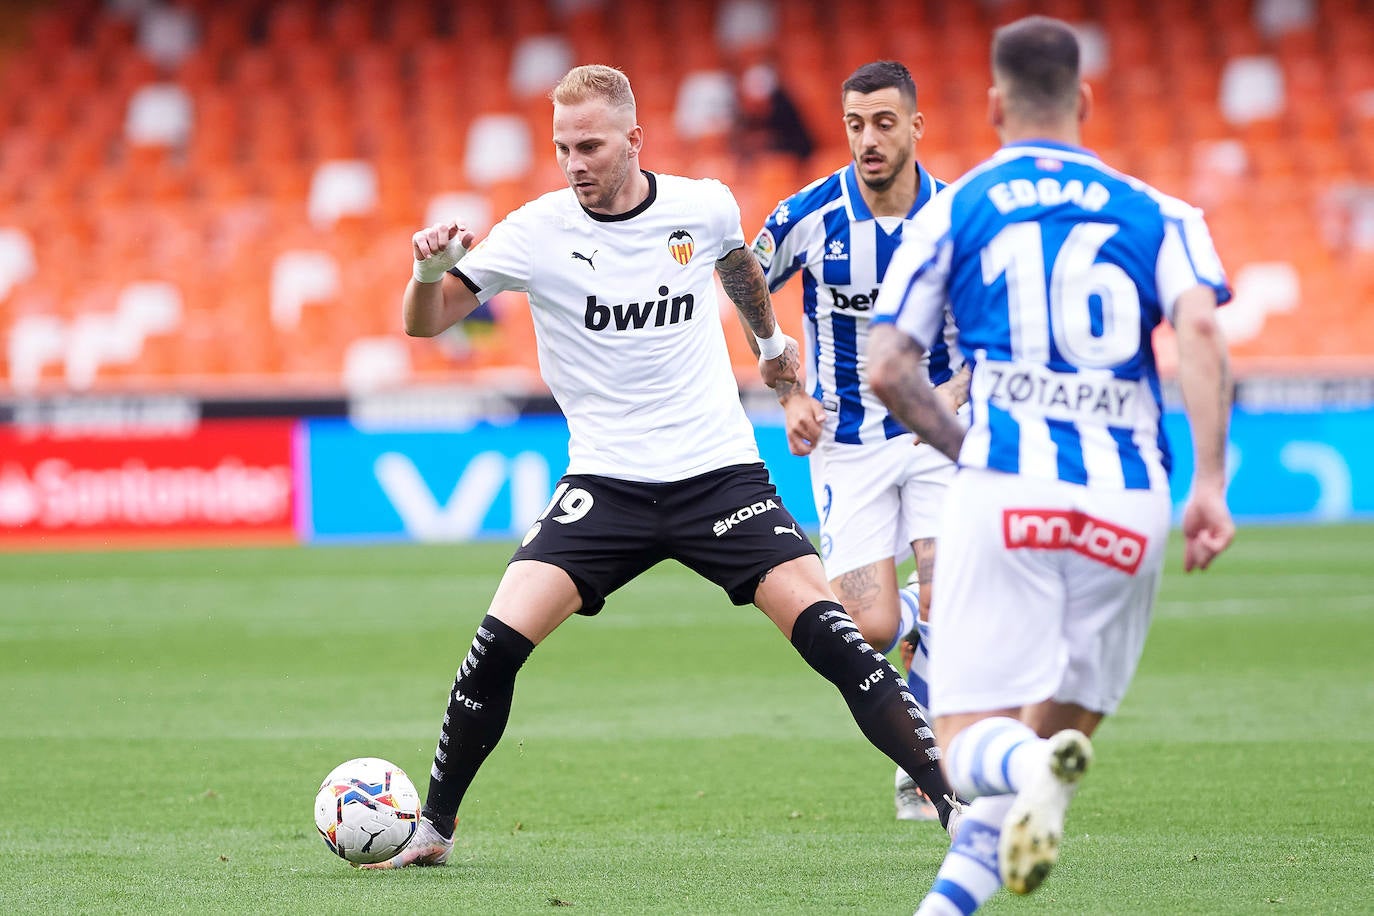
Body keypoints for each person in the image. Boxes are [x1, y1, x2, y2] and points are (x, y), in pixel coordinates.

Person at [367, 64, 961, 869]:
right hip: (604, 486)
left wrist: (769, 344)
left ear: (633, 140)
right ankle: (435, 828)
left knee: (840, 641)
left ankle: (951, 803)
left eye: (590, 145)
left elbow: (738, 266)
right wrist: (427, 269)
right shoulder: (535, 230)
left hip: (718, 475)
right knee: (496, 645)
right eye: (561, 147)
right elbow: (427, 325)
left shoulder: (701, 204)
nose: (574, 162)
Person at [865, 17, 1236, 913]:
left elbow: (886, 366)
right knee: (1045, 741)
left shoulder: (956, 206)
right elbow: (1198, 329)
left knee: (965, 750)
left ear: (993, 105)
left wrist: (978, 456)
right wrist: (1211, 483)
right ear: (1086, 99)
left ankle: (1035, 764)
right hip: (1130, 500)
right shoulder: (1162, 212)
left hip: (1008, 497)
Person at [749, 60, 968, 823]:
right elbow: (742, 279)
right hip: (847, 441)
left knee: (954, 594)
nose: (868, 139)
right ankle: (913, 610)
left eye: (883, 122)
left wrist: (960, 388)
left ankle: (927, 771)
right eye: (854, 124)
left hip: (939, 436)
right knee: (869, 627)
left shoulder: (957, 218)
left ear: (915, 125)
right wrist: (788, 390)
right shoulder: (810, 214)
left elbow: (998, 321)